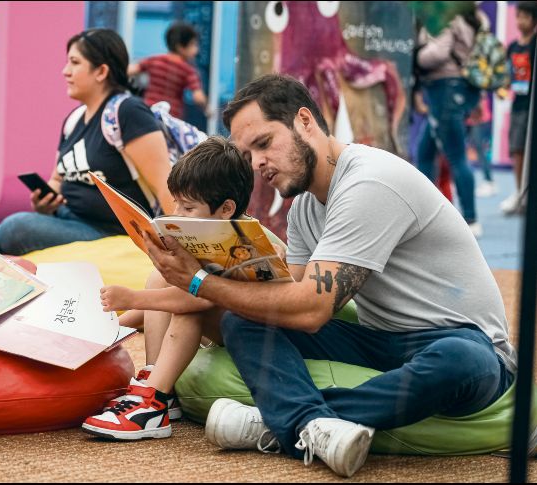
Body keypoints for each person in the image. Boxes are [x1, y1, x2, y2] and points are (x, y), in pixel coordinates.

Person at [143, 74, 516, 478]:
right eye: (246, 153)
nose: (255, 164)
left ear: (305, 121)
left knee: (461, 360)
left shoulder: (369, 181)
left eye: (264, 143)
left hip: (463, 343)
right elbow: (286, 297)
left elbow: (311, 311)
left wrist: (199, 282)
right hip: (383, 339)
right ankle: (310, 426)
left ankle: (279, 422)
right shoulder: (304, 206)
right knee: (244, 319)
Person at [81, 136, 286, 441]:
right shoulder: (209, 233)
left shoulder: (242, 242)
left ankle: (155, 404)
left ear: (226, 208)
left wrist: (132, 298)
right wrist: (110, 327)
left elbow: (202, 300)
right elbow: (161, 302)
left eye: (187, 207)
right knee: (160, 277)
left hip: (270, 334)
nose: (176, 213)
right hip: (233, 322)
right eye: (176, 202)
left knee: (191, 305)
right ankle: (156, 377)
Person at [0, 29, 174, 255]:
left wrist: (184, 250)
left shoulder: (128, 112)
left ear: (101, 71)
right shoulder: (74, 120)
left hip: (109, 232)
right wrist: (44, 203)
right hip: (67, 219)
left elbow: (165, 184)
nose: (65, 71)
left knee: (15, 228)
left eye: (75, 63)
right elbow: (57, 178)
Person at [415, 3, 483, 237]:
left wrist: (414, 55)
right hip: (450, 90)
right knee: (425, 153)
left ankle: (471, 219)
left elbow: (438, 54)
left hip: (444, 90)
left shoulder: (449, 18)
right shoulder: (471, 17)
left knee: (456, 156)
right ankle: (424, 215)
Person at [128, 21, 209, 119]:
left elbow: (130, 70)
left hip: (148, 112)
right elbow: (198, 97)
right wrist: (207, 109)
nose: (196, 50)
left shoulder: (154, 60)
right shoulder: (188, 70)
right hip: (170, 118)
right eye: (193, 45)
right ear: (180, 46)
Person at [500, 1, 537, 215]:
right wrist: (501, 86)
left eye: (525, 17)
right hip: (518, 106)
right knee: (516, 149)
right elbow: (506, 76)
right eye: (518, 16)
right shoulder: (513, 47)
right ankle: (519, 192)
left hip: (532, 107)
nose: (520, 21)